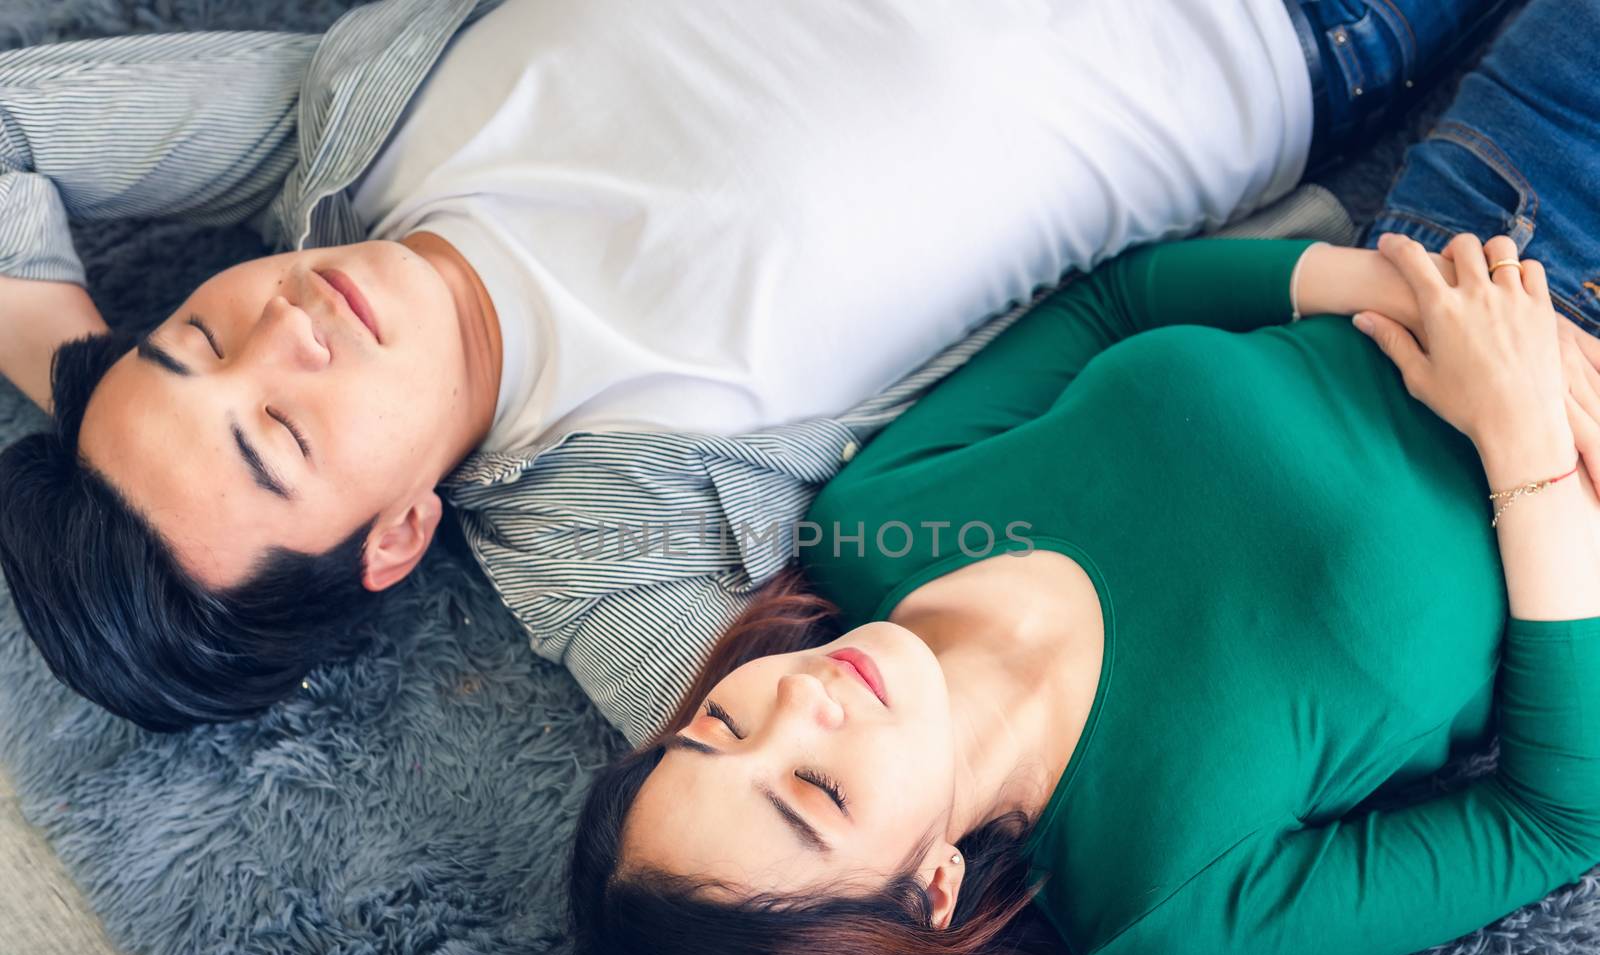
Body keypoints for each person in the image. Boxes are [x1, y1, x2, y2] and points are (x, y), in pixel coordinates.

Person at [554, 0, 1600, 955]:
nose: (798, 699)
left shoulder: (875, 528)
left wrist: (1418, 294)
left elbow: (1114, 306)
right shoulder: (1162, 914)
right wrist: (1527, 448)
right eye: (816, 791)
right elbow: (1554, 819)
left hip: (1490, 215)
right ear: (928, 893)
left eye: (720, 729)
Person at [0, 0, 1508, 737]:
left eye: (196, 335)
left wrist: (87, 384)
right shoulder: (607, 545)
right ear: (398, 537)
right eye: (277, 441)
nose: (286, 331)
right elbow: (804, 840)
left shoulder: (334, 133)